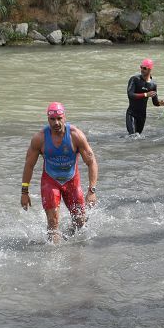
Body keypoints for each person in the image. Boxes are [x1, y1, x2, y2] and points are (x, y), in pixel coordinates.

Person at [20, 102, 99, 239]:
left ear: (65, 117)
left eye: (59, 118)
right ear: (48, 119)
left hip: (72, 181)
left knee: (80, 223)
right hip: (50, 181)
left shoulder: (76, 136)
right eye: (52, 119)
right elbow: (29, 165)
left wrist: (92, 190)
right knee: (53, 224)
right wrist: (24, 192)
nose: (56, 122)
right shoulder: (40, 138)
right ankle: (53, 256)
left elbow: (91, 162)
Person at [125, 58, 164, 136]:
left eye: (144, 68)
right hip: (132, 113)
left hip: (142, 116)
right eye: (141, 67)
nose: (142, 70)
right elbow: (130, 95)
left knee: (138, 137)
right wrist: (145, 94)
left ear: (150, 70)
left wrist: (161, 103)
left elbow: (155, 103)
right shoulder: (134, 79)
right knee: (132, 136)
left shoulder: (153, 85)